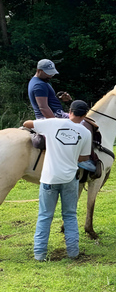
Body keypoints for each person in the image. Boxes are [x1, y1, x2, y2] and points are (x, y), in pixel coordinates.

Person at [22, 100, 92, 261]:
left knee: (45, 216)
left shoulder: (53, 123)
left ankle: (39, 254)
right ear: (85, 115)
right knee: (70, 215)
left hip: (49, 178)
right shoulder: (86, 133)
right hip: (70, 179)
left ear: (70, 110)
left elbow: (27, 123)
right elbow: (85, 157)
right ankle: (73, 252)